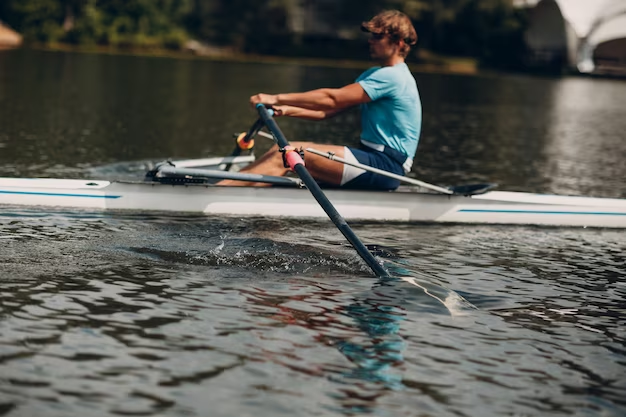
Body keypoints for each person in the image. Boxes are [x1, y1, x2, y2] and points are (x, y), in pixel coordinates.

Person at [219, 10, 421, 190]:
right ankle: (230, 187)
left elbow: (332, 98)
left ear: (398, 43)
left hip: (385, 166)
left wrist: (275, 97)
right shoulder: (375, 73)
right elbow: (328, 111)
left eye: (378, 36)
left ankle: (216, 191)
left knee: (291, 154)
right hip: (371, 159)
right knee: (280, 151)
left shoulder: (393, 77)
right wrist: (286, 109)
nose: (371, 41)